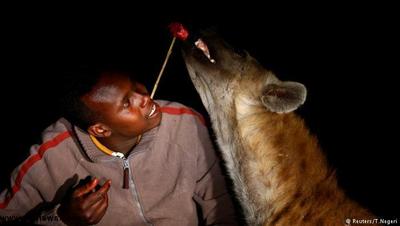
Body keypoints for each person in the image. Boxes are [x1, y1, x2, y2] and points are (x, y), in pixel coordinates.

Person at [0, 65, 239, 225]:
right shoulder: (48, 158)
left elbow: (219, 198)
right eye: (127, 103)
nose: (144, 98)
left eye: (134, 85)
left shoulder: (184, 122)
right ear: (101, 130)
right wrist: (62, 218)